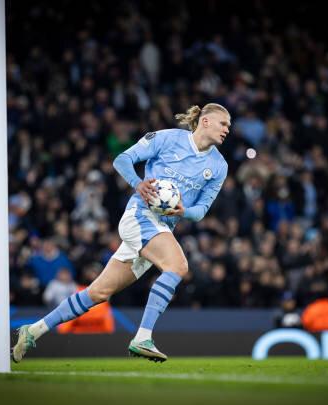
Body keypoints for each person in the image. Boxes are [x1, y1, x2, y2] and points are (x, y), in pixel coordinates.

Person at [12, 103, 231, 363]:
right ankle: (142, 337)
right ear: (205, 121)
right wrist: (138, 184)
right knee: (178, 265)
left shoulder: (219, 165)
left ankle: (33, 330)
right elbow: (122, 159)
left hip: (162, 229)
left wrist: (183, 211)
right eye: (223, 123)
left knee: (98, 293)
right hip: (140, 216)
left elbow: (201, 211)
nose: (228, 129)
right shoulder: (167, 138)